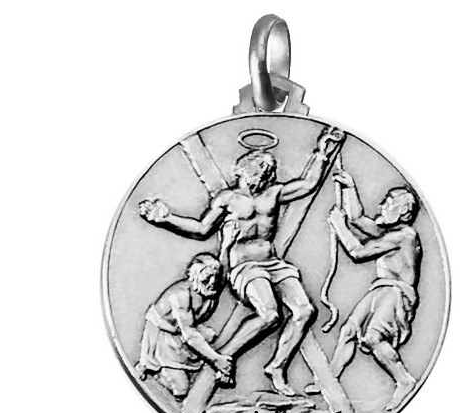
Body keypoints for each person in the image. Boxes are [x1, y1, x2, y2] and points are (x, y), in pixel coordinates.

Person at [138, 128, 338, 395]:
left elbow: (308, 184)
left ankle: (277, 367)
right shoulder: (228, 199)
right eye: (263, 171)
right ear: (246, 171)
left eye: (269, 172)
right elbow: (201, 229)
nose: (267, 177)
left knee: (305, 311)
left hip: (273, 263)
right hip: (245, 268)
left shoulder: (273, 193)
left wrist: (322, 152)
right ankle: (224, 358)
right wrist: (166, 219)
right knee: (270, 315)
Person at [327, 172, 422, 409]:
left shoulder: (404, 236)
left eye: (388, 203)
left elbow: (358, 252)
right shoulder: (390, 232)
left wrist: (339, 226)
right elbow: (357, 219)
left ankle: (404, 380)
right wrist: (349, 188)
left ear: (403, 212)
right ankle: (329, 380)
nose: (381, 206)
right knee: (349, 330)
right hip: (381, 288)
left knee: (373, 337)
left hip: (396, 293)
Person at [135, 253, 232, 399]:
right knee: (181, 389)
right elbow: (189, 334)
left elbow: (224, 266)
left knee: (212, 337)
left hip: (185, 332)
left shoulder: (211, 289)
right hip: (163, 338)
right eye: (207, 278)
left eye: (215, 277)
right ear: (194, 277)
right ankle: (153, 372)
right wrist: (216, 360)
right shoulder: (181, 296)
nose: (213, 282)